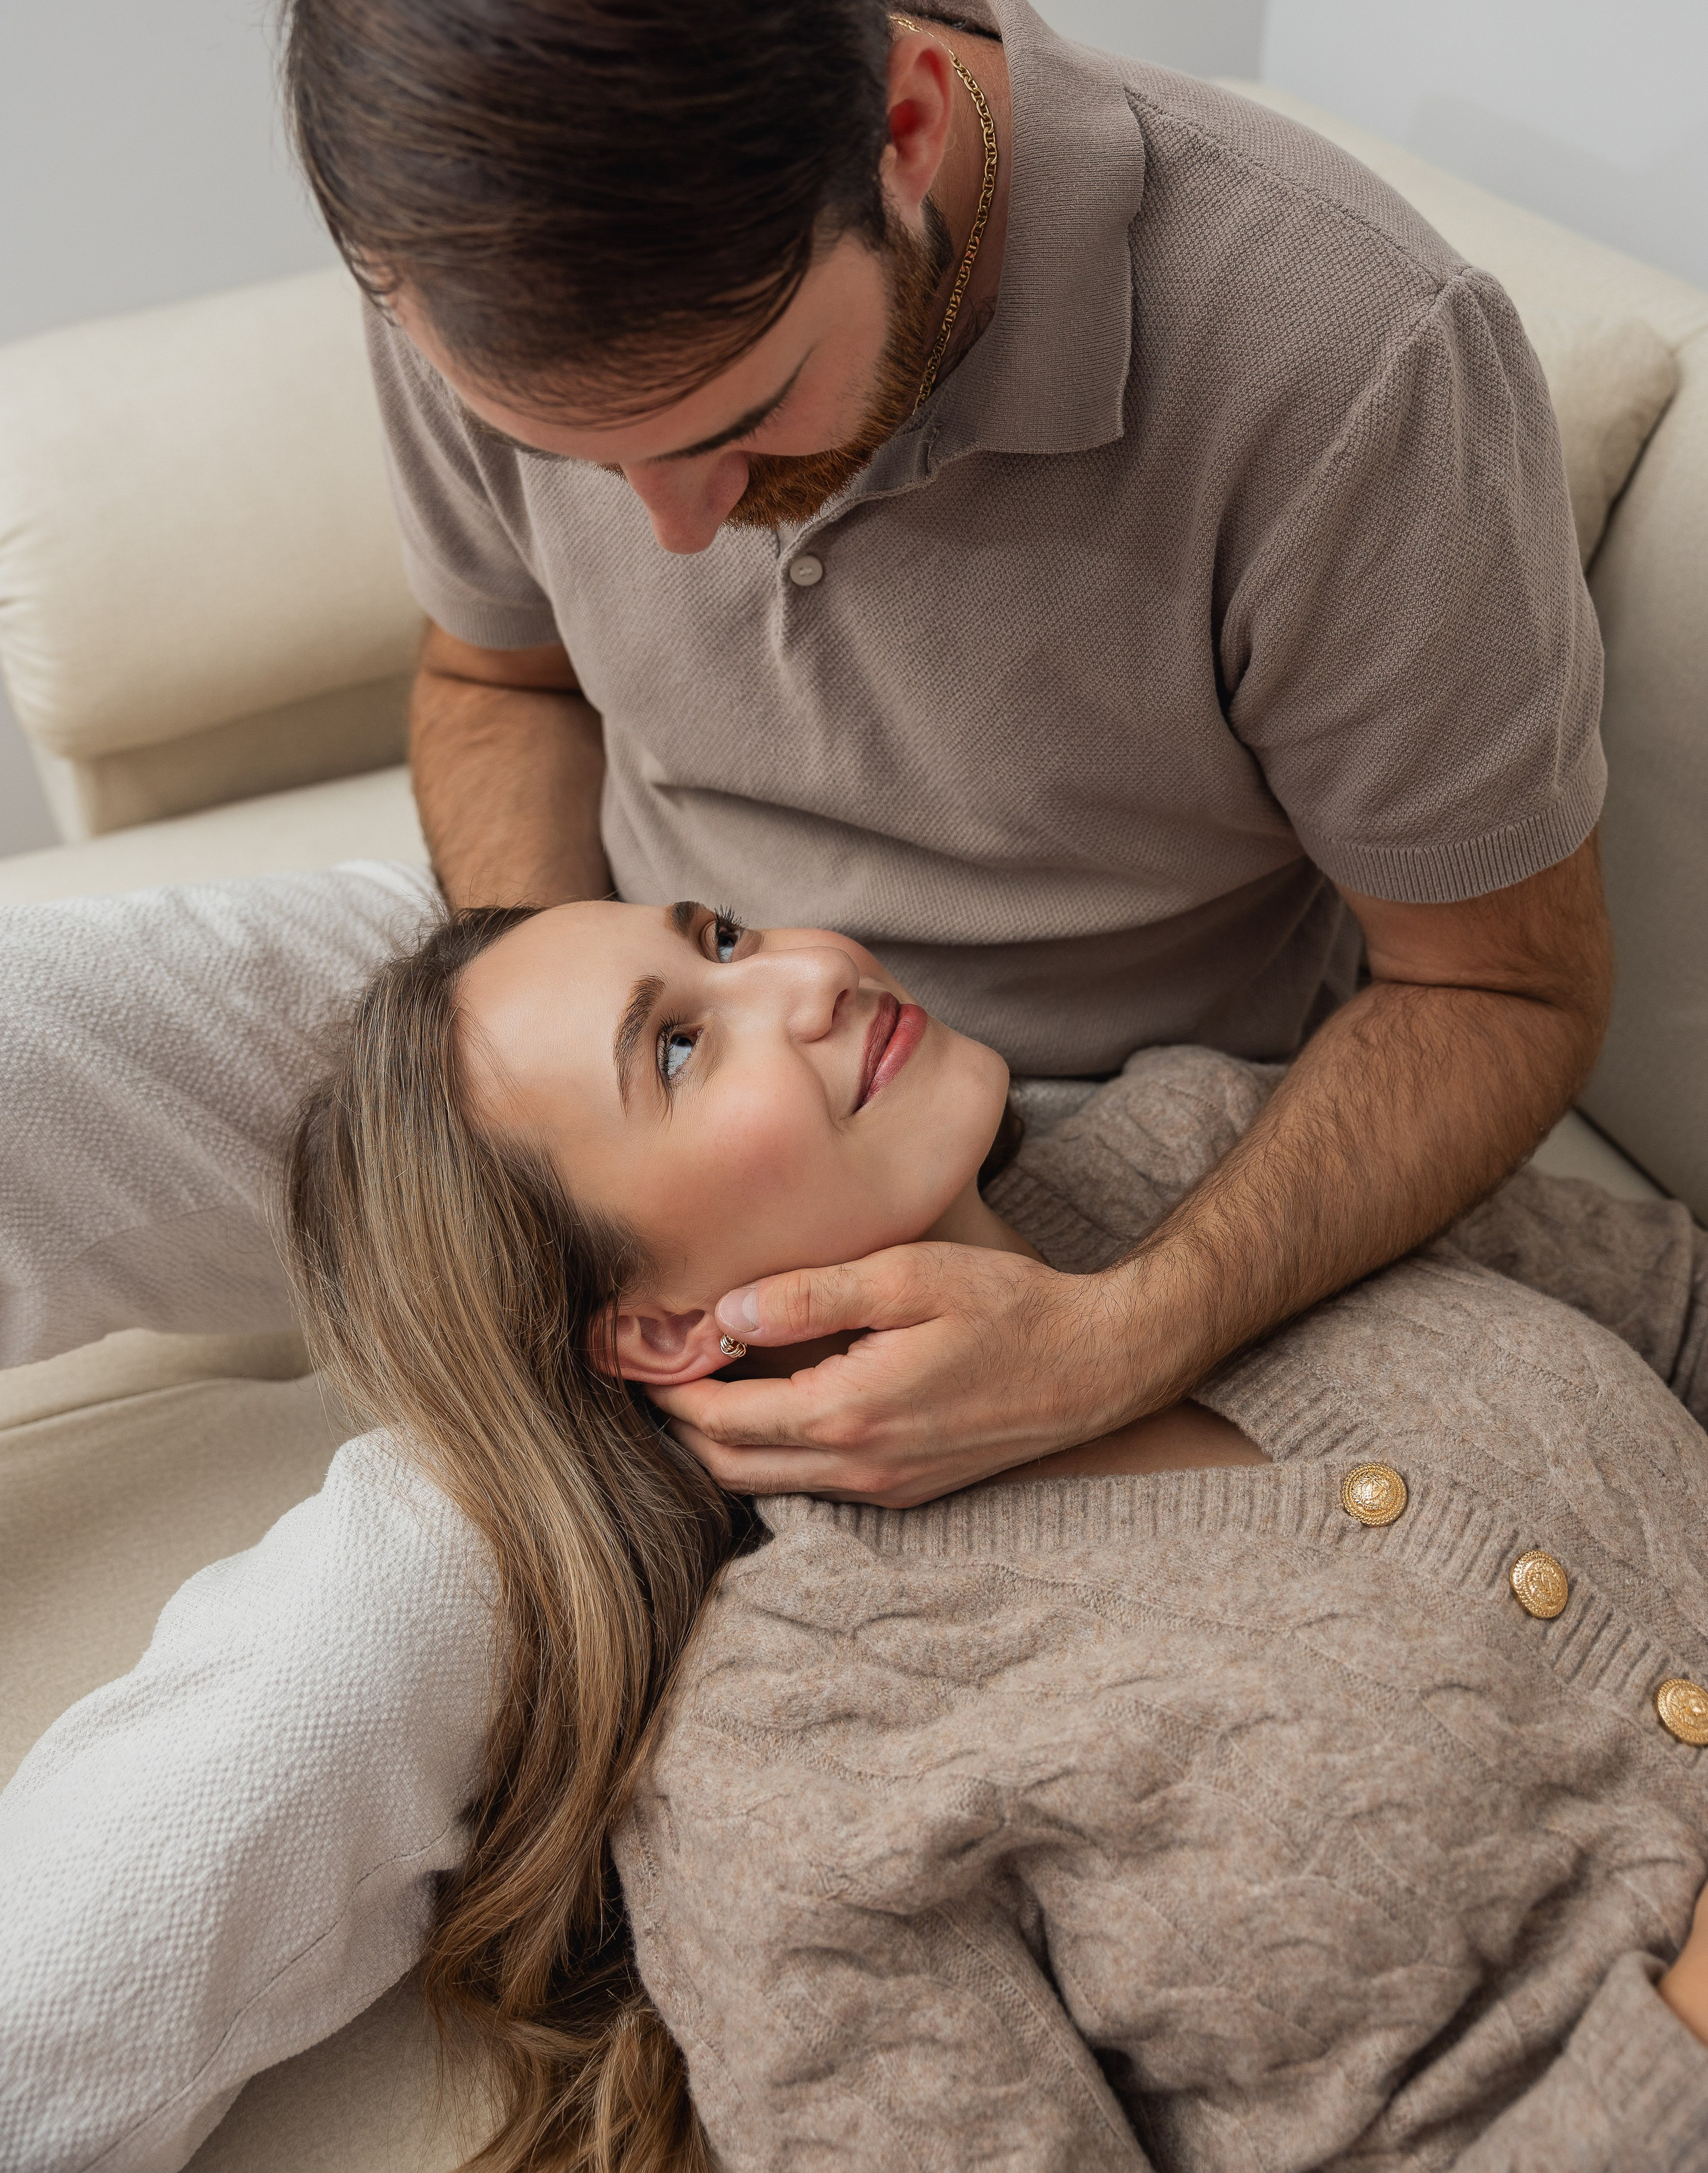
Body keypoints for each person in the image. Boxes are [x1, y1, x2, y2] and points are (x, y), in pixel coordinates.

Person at [278, 0, 1616, 1512]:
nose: (671, 541)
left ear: (906, 130)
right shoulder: (479, 293)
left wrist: (1117, 1337)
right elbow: (504, 681)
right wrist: (573, 1115)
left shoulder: (1350, 360)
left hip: (1111, 1164)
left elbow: (1506, 989)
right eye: (588, 465)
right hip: (625, 1104)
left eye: (740, 426)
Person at [272, 902, 1708, 2165]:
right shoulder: (790, 1758)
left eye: (720, 938)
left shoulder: (1220, 1151)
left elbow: (1682, 1309)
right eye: (675, 1050)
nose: (805, 975)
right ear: (650, 1326)